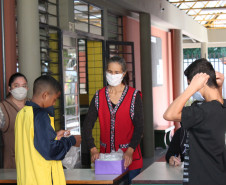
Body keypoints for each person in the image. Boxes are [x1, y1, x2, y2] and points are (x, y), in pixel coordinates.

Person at [163, 58, 226, 185]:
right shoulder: (219, 108)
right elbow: (218, 102)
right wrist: (220, 87)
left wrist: (191, 88)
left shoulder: (201, 111)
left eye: (190, 83)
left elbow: (169, 114)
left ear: (200, 83)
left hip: (202, 179)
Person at [83, 56, 144, 184]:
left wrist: (130, 150)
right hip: (106, 159)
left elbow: (139, 127)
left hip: (130, 158)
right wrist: (93, 149)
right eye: (110, 72)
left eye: (116, 72)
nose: (113, 75)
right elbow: (87, 125)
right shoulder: (99, 96)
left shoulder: (134, 96)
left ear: (124, 74)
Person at [15, 75, 81, 185]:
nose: (54, 104)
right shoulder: (41, 115)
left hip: (26, 180)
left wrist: (54, 136)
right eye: (54, 99)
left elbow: (33, 142)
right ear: (45, 95)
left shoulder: (22, 114)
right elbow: (51, 151)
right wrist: (72, 140)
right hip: (42, 180)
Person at [0, 72, 28, 169]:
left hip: (32, 162)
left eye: (24, 86)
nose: (21, 89)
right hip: (12, 164)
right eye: (16, 86)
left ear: (27, 88)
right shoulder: (3, 108)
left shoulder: (32, 105)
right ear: (9, 89)